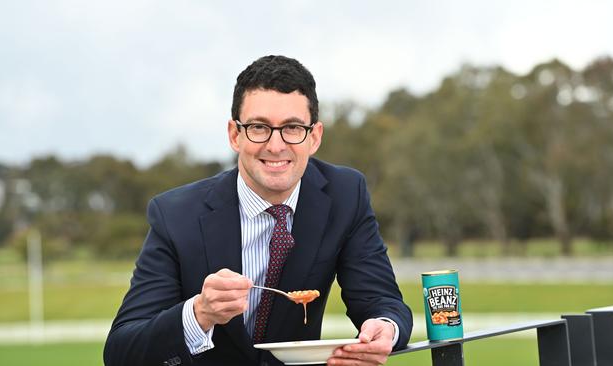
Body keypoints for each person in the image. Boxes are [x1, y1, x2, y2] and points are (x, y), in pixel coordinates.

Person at [104, 55, 412, 366]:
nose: (276, 145)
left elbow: (380, 300)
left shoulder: (346, 195)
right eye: (258, 127)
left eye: (292, 127)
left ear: (314, 136)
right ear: (234, 135)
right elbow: (121, 351)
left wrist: (385, 327)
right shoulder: (174, 215)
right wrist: (199, 314)